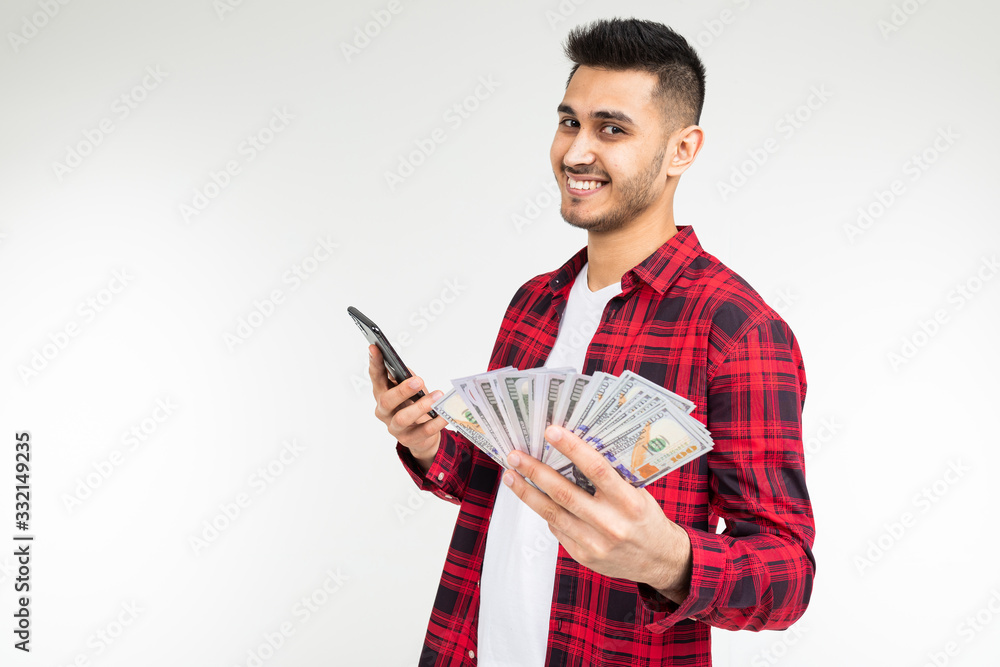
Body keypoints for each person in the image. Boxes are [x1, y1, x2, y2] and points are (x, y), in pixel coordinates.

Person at [368, 17, 815, 667]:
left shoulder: (740, 331)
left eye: (612, 128)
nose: (576, 152)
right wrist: (429, 442)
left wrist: (667, 556)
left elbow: (787, 573)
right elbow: (503, 486)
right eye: (569, 121)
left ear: (682, 150)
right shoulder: (532, 302)